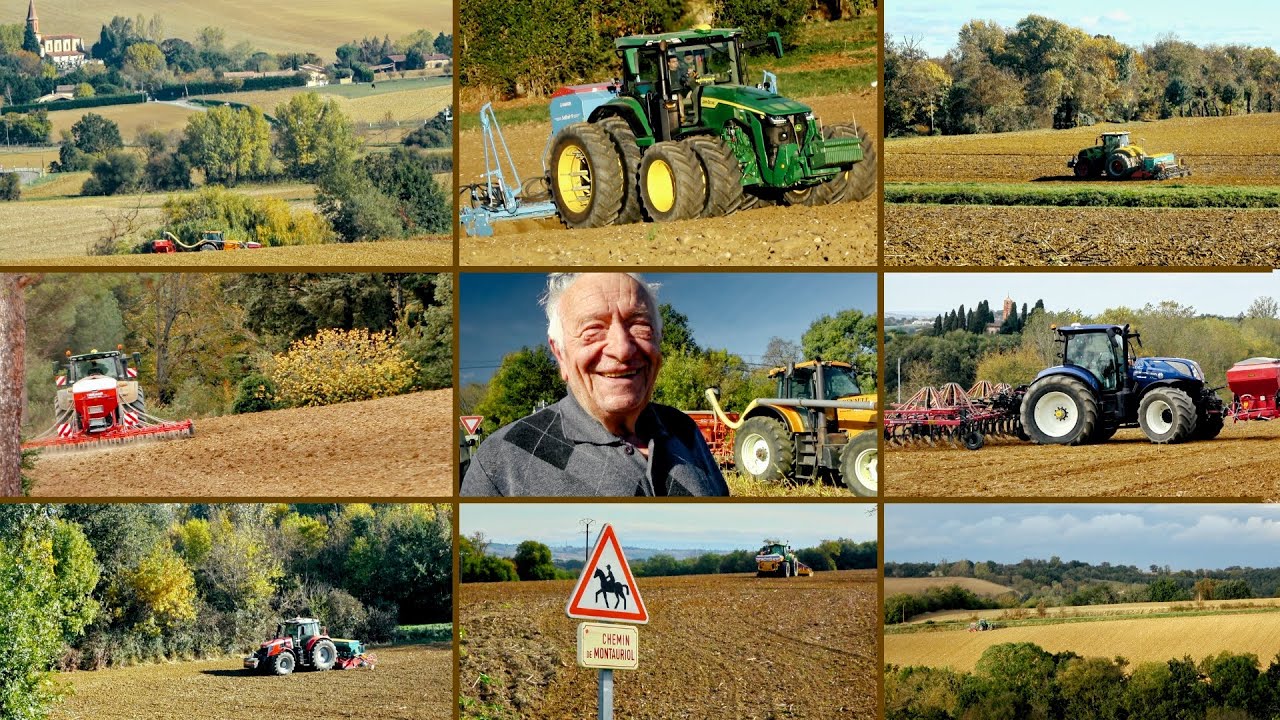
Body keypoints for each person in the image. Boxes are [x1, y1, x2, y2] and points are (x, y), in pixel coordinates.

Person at [461, 273, 728, 497]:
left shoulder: (685, 430)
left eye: (639, 326)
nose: (622, 349)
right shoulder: (503, 459)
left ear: (659, 340)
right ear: (560, 354)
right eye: (592, 331)